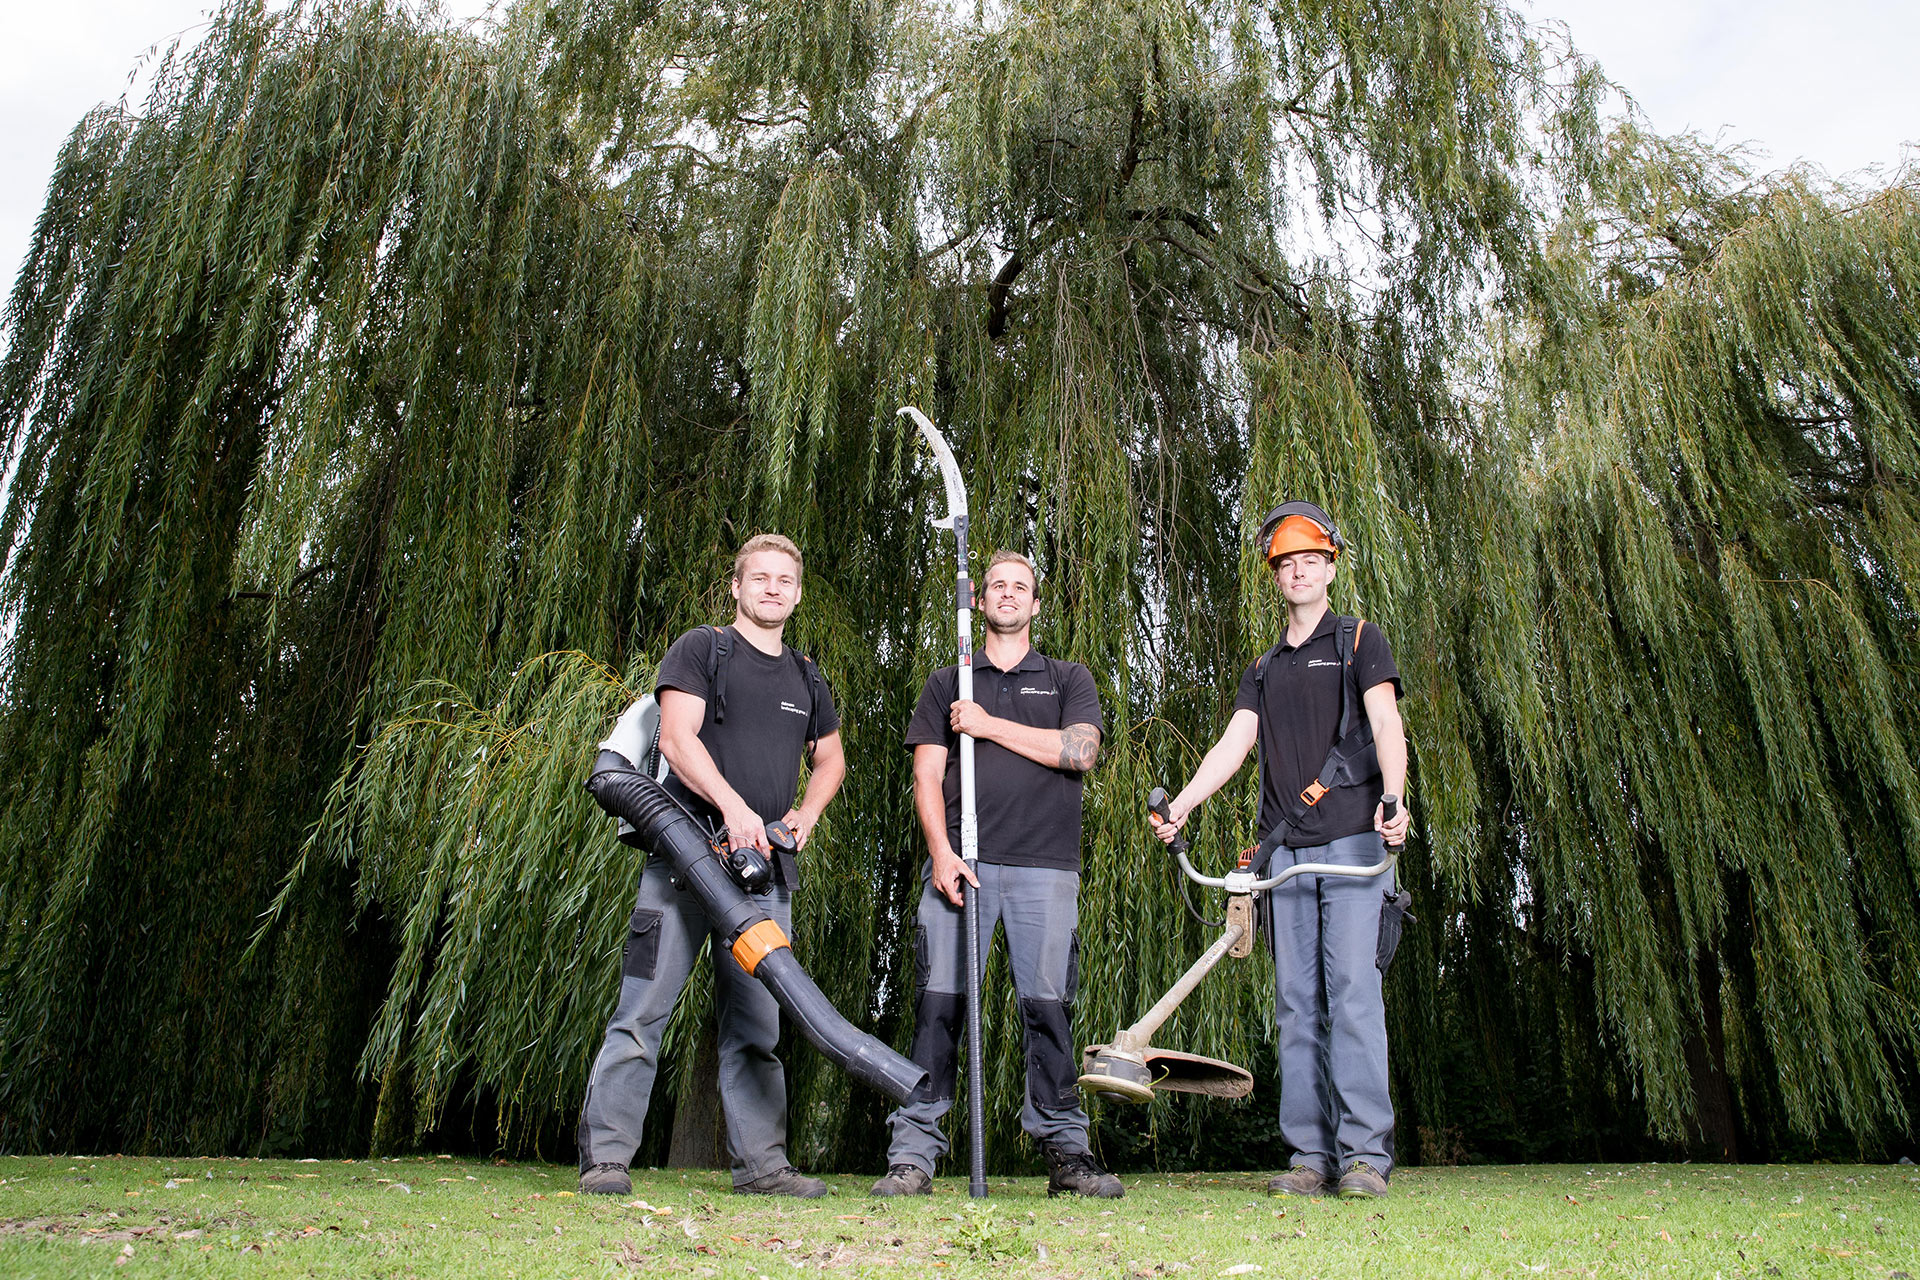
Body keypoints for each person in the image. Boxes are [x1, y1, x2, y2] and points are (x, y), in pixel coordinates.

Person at [1150, 502, 1410, 1200]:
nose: (1299, 571)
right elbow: (1234, 746)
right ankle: (1308, 1158)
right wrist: (1181, 805)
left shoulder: (1359, 641)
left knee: (1353, 995)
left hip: (1354, 843)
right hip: (1287, 853)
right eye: (1286, 563)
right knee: (1297, 1002)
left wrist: (1396, 801)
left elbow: (1386, 722)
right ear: (1276, 575)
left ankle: (1364, 1158)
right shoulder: (1263, 667)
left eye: (1310, 561)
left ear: (1330, 567)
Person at [577, 534, 847, 1198]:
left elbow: (831, 759)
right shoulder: (704, 649)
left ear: (798, 593)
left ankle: (764, 1169)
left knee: (758, 1027)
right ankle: (607, 1160)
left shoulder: (806, 676)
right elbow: (676, 738)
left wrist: (805, 816)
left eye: (786, 580)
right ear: (737, 586)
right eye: (760, 578)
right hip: (683, 865)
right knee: (642, 1012)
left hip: (762, 883)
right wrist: (731, 805)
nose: (773, 588)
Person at [870, 550, 1123, 1199]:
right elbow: (927, 774)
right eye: (997, 587)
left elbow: (1080, 753)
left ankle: (1066, 1150)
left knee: (1050, 1011)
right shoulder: (947, 680)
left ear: (1036, 604)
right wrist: (940, 851)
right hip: (964, 867)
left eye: (1021, 587)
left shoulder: (1068, 678)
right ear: (978, 602)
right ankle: (914, 1152)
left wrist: (987, 726)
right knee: (938, 1009)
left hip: (1046, 868)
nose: (1009, 595)